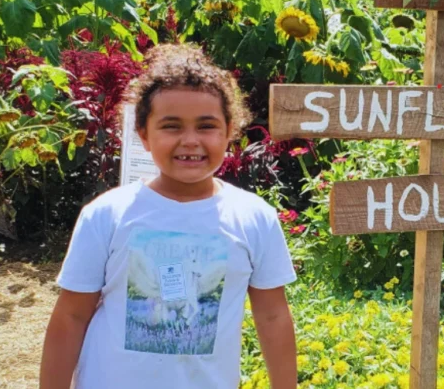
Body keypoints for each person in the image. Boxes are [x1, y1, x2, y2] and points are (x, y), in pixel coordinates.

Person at [39, 44, 297, 389]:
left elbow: (273, 315)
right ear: (143, 134)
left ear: (229, 131)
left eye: (206, 126)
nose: (190, 141)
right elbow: (71, 317)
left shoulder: (254, 218)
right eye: (171, 126)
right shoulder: (106, 216)